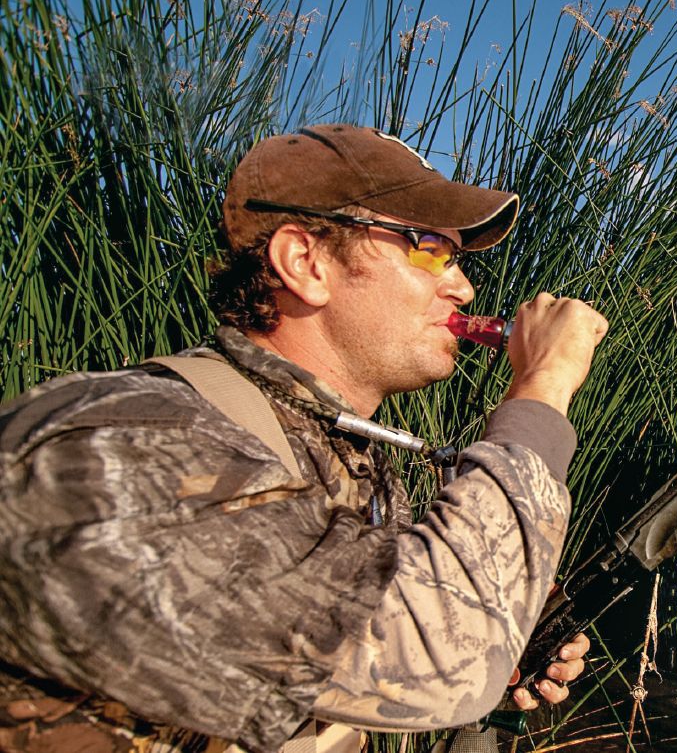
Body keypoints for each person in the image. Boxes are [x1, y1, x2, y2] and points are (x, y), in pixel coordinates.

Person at [0, 124, 607, 752]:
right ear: (305, 263)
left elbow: (396, 649)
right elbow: (432, 655)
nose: (463, 287)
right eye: (427, 248)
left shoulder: (344, 453)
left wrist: (511, 624)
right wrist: (543, 387)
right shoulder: (135, 441)